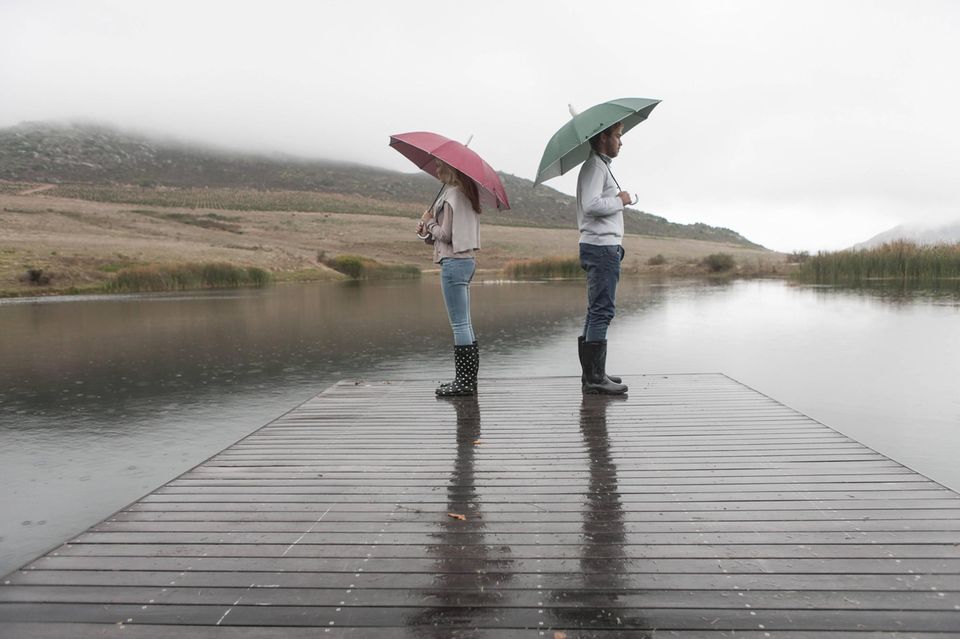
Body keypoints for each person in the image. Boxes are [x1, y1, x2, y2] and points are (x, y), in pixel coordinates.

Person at [417, 160, 482, 396]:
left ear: (452, 169)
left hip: (454, 263)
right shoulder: (467, 194)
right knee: (465, 322)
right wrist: (427, 231)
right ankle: (468, 381)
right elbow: (446, 235)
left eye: (439, 166)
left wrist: (429, 221)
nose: (436, 170)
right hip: (467, 261)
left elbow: (445, 235)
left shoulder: (452, 196)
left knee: (459, 324)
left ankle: (464, 383)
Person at [576, 122, 630, 395]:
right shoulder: (596, 166)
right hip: (601, 248)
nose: (621, 142)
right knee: (602, 310)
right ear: (603, 137)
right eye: (618, 136)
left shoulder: (599, 165)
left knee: (595, 309)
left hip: (600, 247)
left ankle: (593, 375)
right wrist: (621, 200)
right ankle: (595, 378)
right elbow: (592, 205)